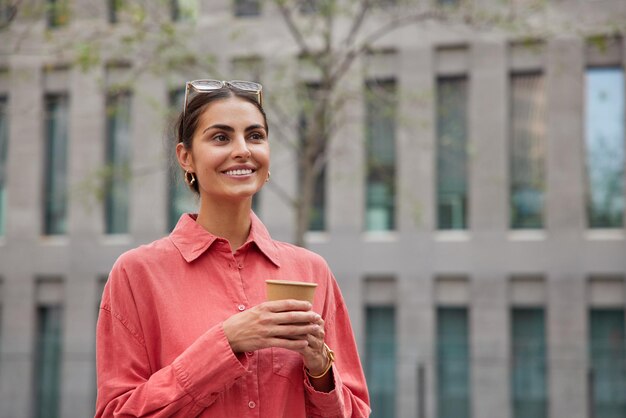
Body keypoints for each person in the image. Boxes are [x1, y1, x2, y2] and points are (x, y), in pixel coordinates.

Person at [95, 79, 371, 417]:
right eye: (220, 137)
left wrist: (320, 369)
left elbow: (356, 411)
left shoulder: (312, 271)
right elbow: (117, 411)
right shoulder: (137, 273)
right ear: (186, 157)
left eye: (255, 136)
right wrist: (226, 343)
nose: (242, 149)